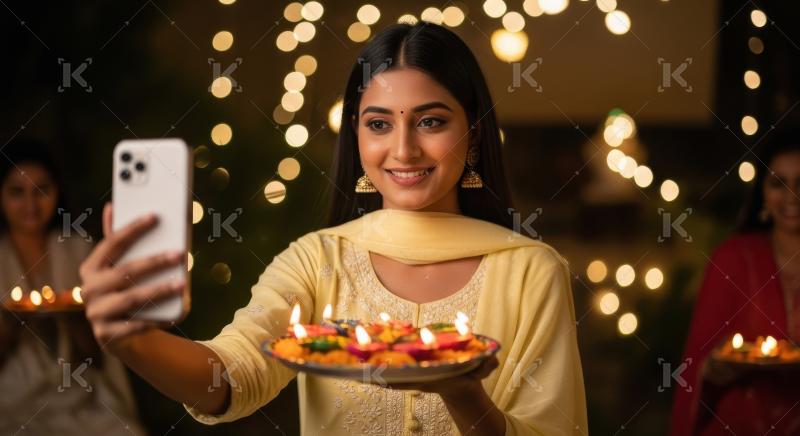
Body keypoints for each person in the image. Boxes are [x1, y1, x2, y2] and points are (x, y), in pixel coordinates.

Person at [78, 23, 587, 435]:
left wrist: (462, 391)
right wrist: (133, 343)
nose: (404, 150)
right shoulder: (317, 261)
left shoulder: (531, 273)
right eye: (379, 123)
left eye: (431, 122)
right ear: (357, 135)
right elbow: (233, 375)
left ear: (473, 137)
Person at [0, 140, 145, 435]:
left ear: (57, 192)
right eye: (17, 192)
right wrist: (10, 323)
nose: (31, 204)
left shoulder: (79, 251)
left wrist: (75, 316)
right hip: (12, 403)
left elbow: (99, 355)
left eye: (41, 190)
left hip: (80, 397)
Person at [670, 131, 800, 435]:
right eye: (778, 183)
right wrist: (715, 369)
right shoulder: (733, 259)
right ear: (763, 194)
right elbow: (697, 364)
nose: (791, 196)